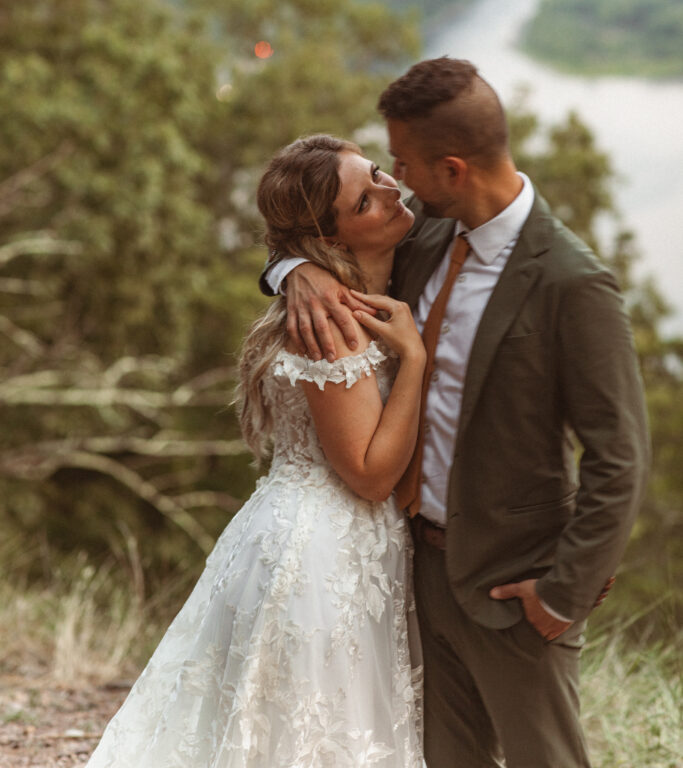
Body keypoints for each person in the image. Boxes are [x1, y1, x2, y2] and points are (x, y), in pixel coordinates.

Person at [268, 58, 650, 768]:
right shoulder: (425, 238)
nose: (394, 180)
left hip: (514, 593)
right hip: (413, 574)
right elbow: (318, 233)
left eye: (403, 164)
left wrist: (561, 594)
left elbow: (619, 457)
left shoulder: (571, 282)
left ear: (451, 168)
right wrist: (295, 271)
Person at [86, 135, 427, 768]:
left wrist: (293, 267)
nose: (390, 189)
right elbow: (371, 476)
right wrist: (414, 360)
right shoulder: (331, 325)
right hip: (323, 551)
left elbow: (283, 249)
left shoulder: (337, 279)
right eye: (365, 200)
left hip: (311, 535)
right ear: (331, 240)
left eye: (378, 173)